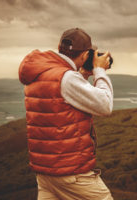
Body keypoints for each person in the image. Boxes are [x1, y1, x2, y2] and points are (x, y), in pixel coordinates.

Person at [18, 28, 114, 200]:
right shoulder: (67, 78)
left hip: (45, 174)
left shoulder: (41, 73)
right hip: (72, 175)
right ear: (85, 55)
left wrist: (83, 75)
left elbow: (63, 103)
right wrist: (100, 71)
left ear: (59, 47)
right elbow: (104, 106)